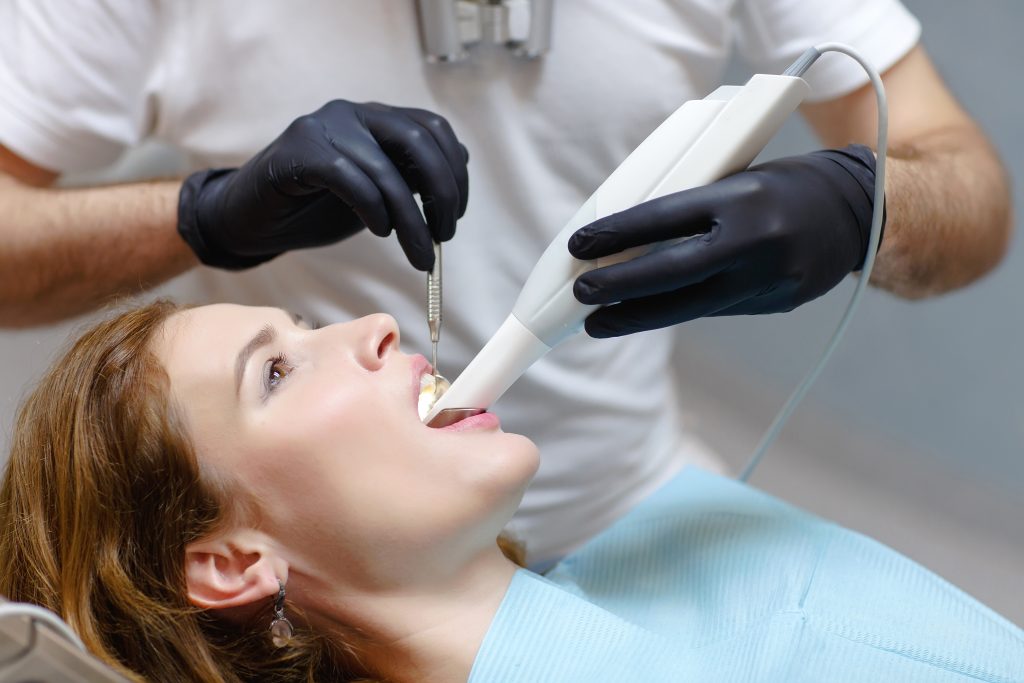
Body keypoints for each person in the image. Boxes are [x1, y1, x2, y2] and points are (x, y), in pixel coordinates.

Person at [0, 2, 1012, 567]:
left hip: (633, 497)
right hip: (355, 566)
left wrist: (861, 206)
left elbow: (969, 194)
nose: (383, 334)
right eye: (276, 366)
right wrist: (203, 213)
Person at [0, 300, 1021, 682]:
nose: (372, 325)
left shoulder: (681, 529)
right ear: (230, 560)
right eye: (276, 371)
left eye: (306, 323)